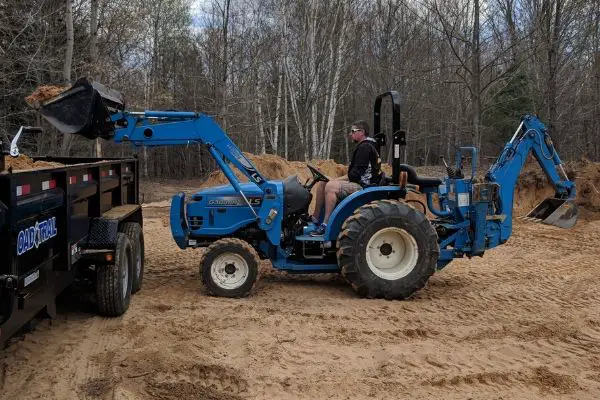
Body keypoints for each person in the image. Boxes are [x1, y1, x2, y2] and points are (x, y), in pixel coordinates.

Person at [309, 120, 382, 236]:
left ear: (362, 132)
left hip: (363, 186)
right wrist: (330, 178)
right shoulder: (366, 146)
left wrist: (333, 180)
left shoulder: (365, 147)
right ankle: (314, 219)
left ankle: (325, 224)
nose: (350, 134)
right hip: (358, 182)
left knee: (331, 187)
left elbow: (355, 175)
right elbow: (354, 173)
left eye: (353, 131)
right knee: (322, 183)